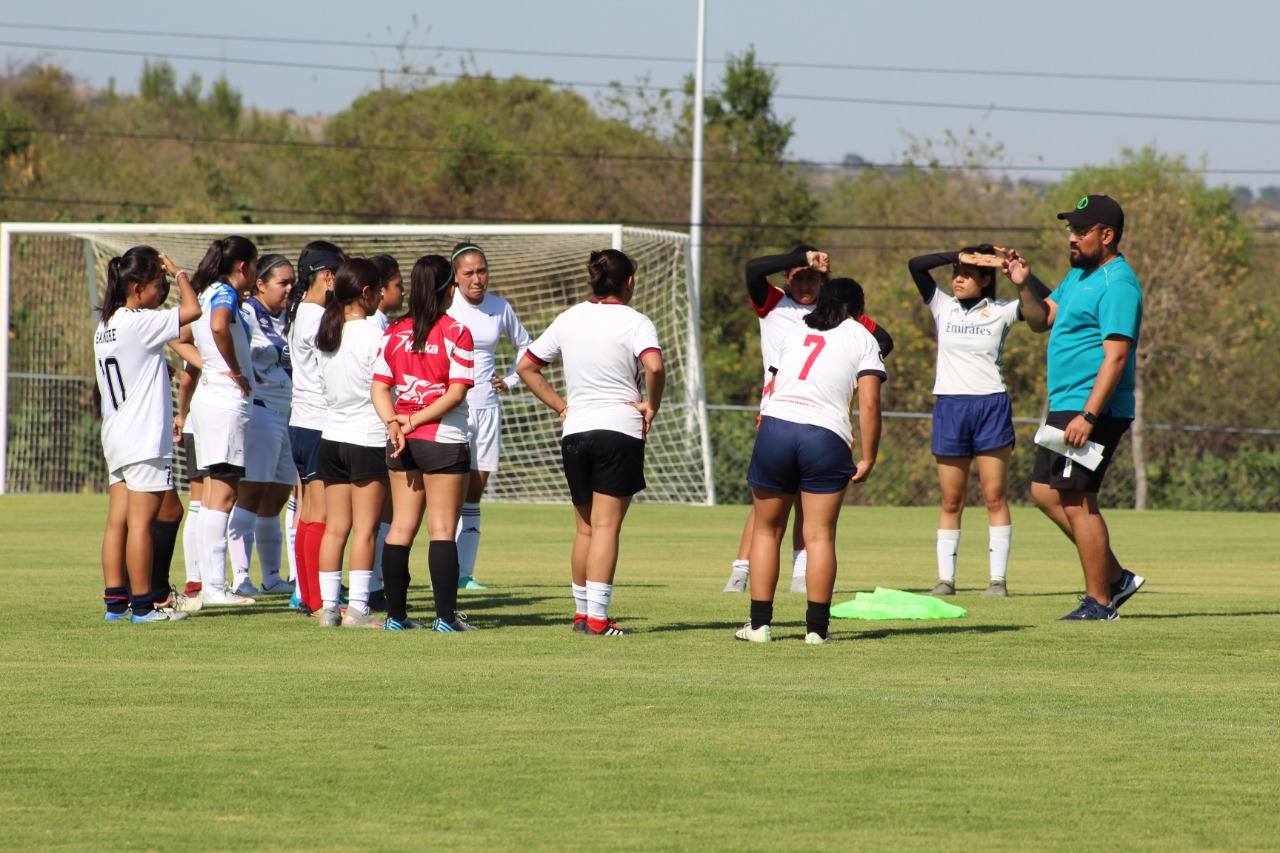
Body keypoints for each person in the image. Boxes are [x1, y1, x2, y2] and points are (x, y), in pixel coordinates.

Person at [1001, 194, 1146, 620]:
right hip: (1066, 403)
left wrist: (1089, 415)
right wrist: (1024, 282)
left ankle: (1100, 602)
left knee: (1078, 499)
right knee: (1045, 493)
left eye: (1081, 231)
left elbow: (1116, 356)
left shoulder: (1117, 283)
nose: (1072, 237)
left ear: (1107, 235)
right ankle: (1115, 577)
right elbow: (1039, 319)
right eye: (1070, 229)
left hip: (1090, 406)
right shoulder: (1080, 277)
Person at [723, 246, 893, 595]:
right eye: (798, 276)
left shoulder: (834, 315)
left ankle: (798, 576)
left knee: (801, 500)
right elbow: (754, 268)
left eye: (812, 276)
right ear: (786, 277)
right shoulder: (774, 302)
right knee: (773, 504)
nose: (804, 283)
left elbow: (884, 340)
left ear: (823, 281)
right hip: (779, 407)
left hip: (813, 412)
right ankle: (742, 570)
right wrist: (800, 256)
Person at [516, 249, 664, 637]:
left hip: (576, 432)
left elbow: (525, 367)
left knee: (585, 529)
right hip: (619, 430)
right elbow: (655, 366)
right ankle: (598, 619)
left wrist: (562, 408)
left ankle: (582, 615)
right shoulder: (637, 322)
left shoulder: (569, 318)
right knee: (606, 529)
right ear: (629, 282)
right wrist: (652, 406)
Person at [907, 245, 1025, 598]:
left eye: (968, 273)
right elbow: (916, 264)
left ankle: (997, 582)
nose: (958, 278)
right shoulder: (942, 305)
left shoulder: (1003, 310)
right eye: (956, 272)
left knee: (994, 497)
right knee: (950, 501)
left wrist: (1013, 269)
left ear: (986, 279)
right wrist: (958, 254)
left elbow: (1050, 301)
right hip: (951, 406)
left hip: (991, 405)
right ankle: (946, 580)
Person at [93, 245, 201, 622]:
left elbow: (133, 367)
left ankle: (115, 604)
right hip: (142, 437)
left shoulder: (106, 325)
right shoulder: (138, 320)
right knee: (141, 522)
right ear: (137, 287)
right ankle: (142, 606)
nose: (163, 292)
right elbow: (193, 311)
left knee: (117, 522)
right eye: (158, 285)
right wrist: (180, 273)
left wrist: (159, 372)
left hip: (117, 435)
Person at [372, 254, 476, 631]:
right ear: (450, 289)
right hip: (443, 440)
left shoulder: (394, 330)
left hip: (401, 442)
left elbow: (379, 387)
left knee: (400, 528)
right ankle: (446, 619)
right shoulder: (456, 331)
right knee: (443, 530)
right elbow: (457, 393)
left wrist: (394, 425)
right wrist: (413, 420)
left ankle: (396, 618)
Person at [446, 242, 533, 590]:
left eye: (482, 271)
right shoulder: (445, 307)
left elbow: (527, 346)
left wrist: (511, 379)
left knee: (474, 491)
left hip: (487, 407)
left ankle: (465, 573)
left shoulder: (500, 307)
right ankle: (445, 566)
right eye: (468, 272)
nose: (477, 279)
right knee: (447, 488)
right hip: (451, 408)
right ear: (455, 276)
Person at [313, 258, 389, 628]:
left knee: (335, 528)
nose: (382, 296)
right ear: (366, 293)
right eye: (379, 289)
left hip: (332, 439)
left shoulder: (328, 333)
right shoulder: (375, 336)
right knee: (366, 529)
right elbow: (385, 389)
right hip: (367, 438)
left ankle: (329, 609)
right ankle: (358, 609)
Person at [189, 235, 260, 606]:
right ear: (243, 267)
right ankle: (215, 587)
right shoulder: (225, 294)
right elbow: (218, 326)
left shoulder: (204, 291)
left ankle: (207, 583)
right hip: (224, 401)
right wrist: (234, 370)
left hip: (208, 398)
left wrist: (214, 367)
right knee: (225, 492)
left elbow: (183, 337)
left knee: (214, 492)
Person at [227, 254, 297, 597]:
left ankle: (272, 577)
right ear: (260, 284)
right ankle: (240, 577)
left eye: (291, 282)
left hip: (291, 412)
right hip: (260, 410)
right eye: (282, 282)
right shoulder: (245, 314)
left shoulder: (291, 315)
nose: (289, 288)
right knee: (251, 493)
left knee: (277, 496)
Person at [285, 241, 345, 615]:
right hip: (319, 424)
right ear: (327, 277)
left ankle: (309, 597)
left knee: (308, 514)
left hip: (301, 424)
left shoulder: (299, 313)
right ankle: (321, 601)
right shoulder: (318, 318)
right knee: (321, 516)